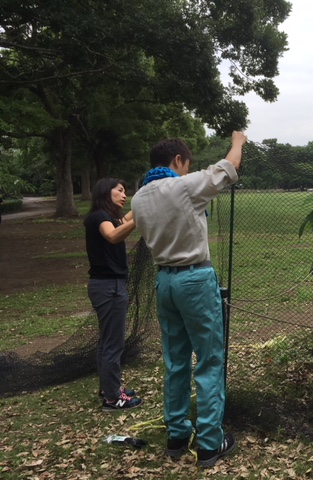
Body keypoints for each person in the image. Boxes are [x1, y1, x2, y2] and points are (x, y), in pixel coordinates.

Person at [131, 132, 246, 468]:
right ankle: (211, 443)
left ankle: (177, 434)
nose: (186, 171)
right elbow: (228, 167)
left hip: (163, 281)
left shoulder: (138, 198)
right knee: (209, 359)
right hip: (194, 279)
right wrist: (238, 140)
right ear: (178, 161)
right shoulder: (181, 186)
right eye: (186, 165)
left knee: (176, 360)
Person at [84, 178, 142, 410]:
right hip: (109, 287)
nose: (124, 195)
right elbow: (113, 235)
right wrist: (141, 218)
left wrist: (144, 202)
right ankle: (113, 398)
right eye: (119, 190)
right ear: (104, 192)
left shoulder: (105, 217)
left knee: (107, 342)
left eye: (125, 191)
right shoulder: (100, 217)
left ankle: (108, 388)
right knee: (113, 344)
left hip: (106, 286)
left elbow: (123, 220)